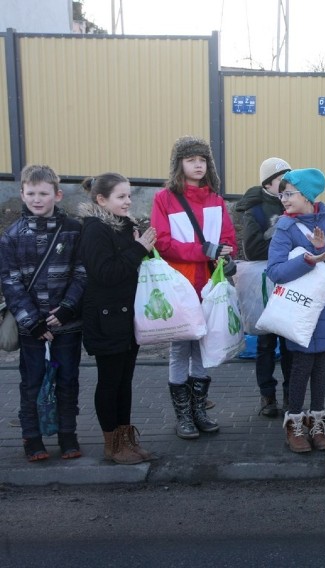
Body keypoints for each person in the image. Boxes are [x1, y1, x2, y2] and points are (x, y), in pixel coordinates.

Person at [150, 136, 237, 438]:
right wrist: (206, 250)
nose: (198, 164)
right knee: (179, 349)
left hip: (211, 283)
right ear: (178, 164)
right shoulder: (164, 198)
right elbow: (162, 242)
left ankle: (199, 411)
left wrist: (226, 251)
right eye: (191, 159)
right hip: (179, 284)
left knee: (203, 346)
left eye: (202, 159)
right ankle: (183, 416)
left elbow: (228, 238)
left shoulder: (216, 199)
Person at [0, 164, 86, 461]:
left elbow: (81, 272)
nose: (37, 199)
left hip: (67, 324)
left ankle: (68, 435)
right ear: (22, 194)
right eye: (31, 193)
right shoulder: (12, 236)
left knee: (67, 380)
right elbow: (9, 282)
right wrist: (32, 322)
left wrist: (68, 307)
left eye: (44, 193)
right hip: (31, 327)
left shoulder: (74, 230)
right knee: (32, 381)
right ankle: (32, 439)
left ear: (57, 195)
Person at [266, 168, 325, 453]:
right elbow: (275, 271)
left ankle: (317, 424)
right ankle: (294, 424)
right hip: (299, 306)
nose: (283, 199)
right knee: (301, 366)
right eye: (281, 194)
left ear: (307, 195)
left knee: (322, 366)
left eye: (289, 193)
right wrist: (308, 260)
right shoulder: (284, 227)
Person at [78, 173, 157, 464]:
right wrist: (138, 249)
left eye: (129, 196)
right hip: (105, 318)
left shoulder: (125, 225)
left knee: (125, 381)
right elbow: (106, 273)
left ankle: (126, 440)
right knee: (110, 382)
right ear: (101, 199)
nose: (128, 201)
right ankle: (112, 444)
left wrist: (143, 249)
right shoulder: (95, 229)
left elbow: (132, 268)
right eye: (121, 197)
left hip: (126, 317)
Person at [234, 157, 293, 417]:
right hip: (265, 283)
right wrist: (284, 248)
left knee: (291, 342)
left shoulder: (295, 203)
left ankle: (293, 393)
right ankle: (267, 396)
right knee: (266, 343)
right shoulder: (255, 209)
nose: (287, 184)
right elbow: (252, 249)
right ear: (269, 182)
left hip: (292, 280)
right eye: (282, 178)